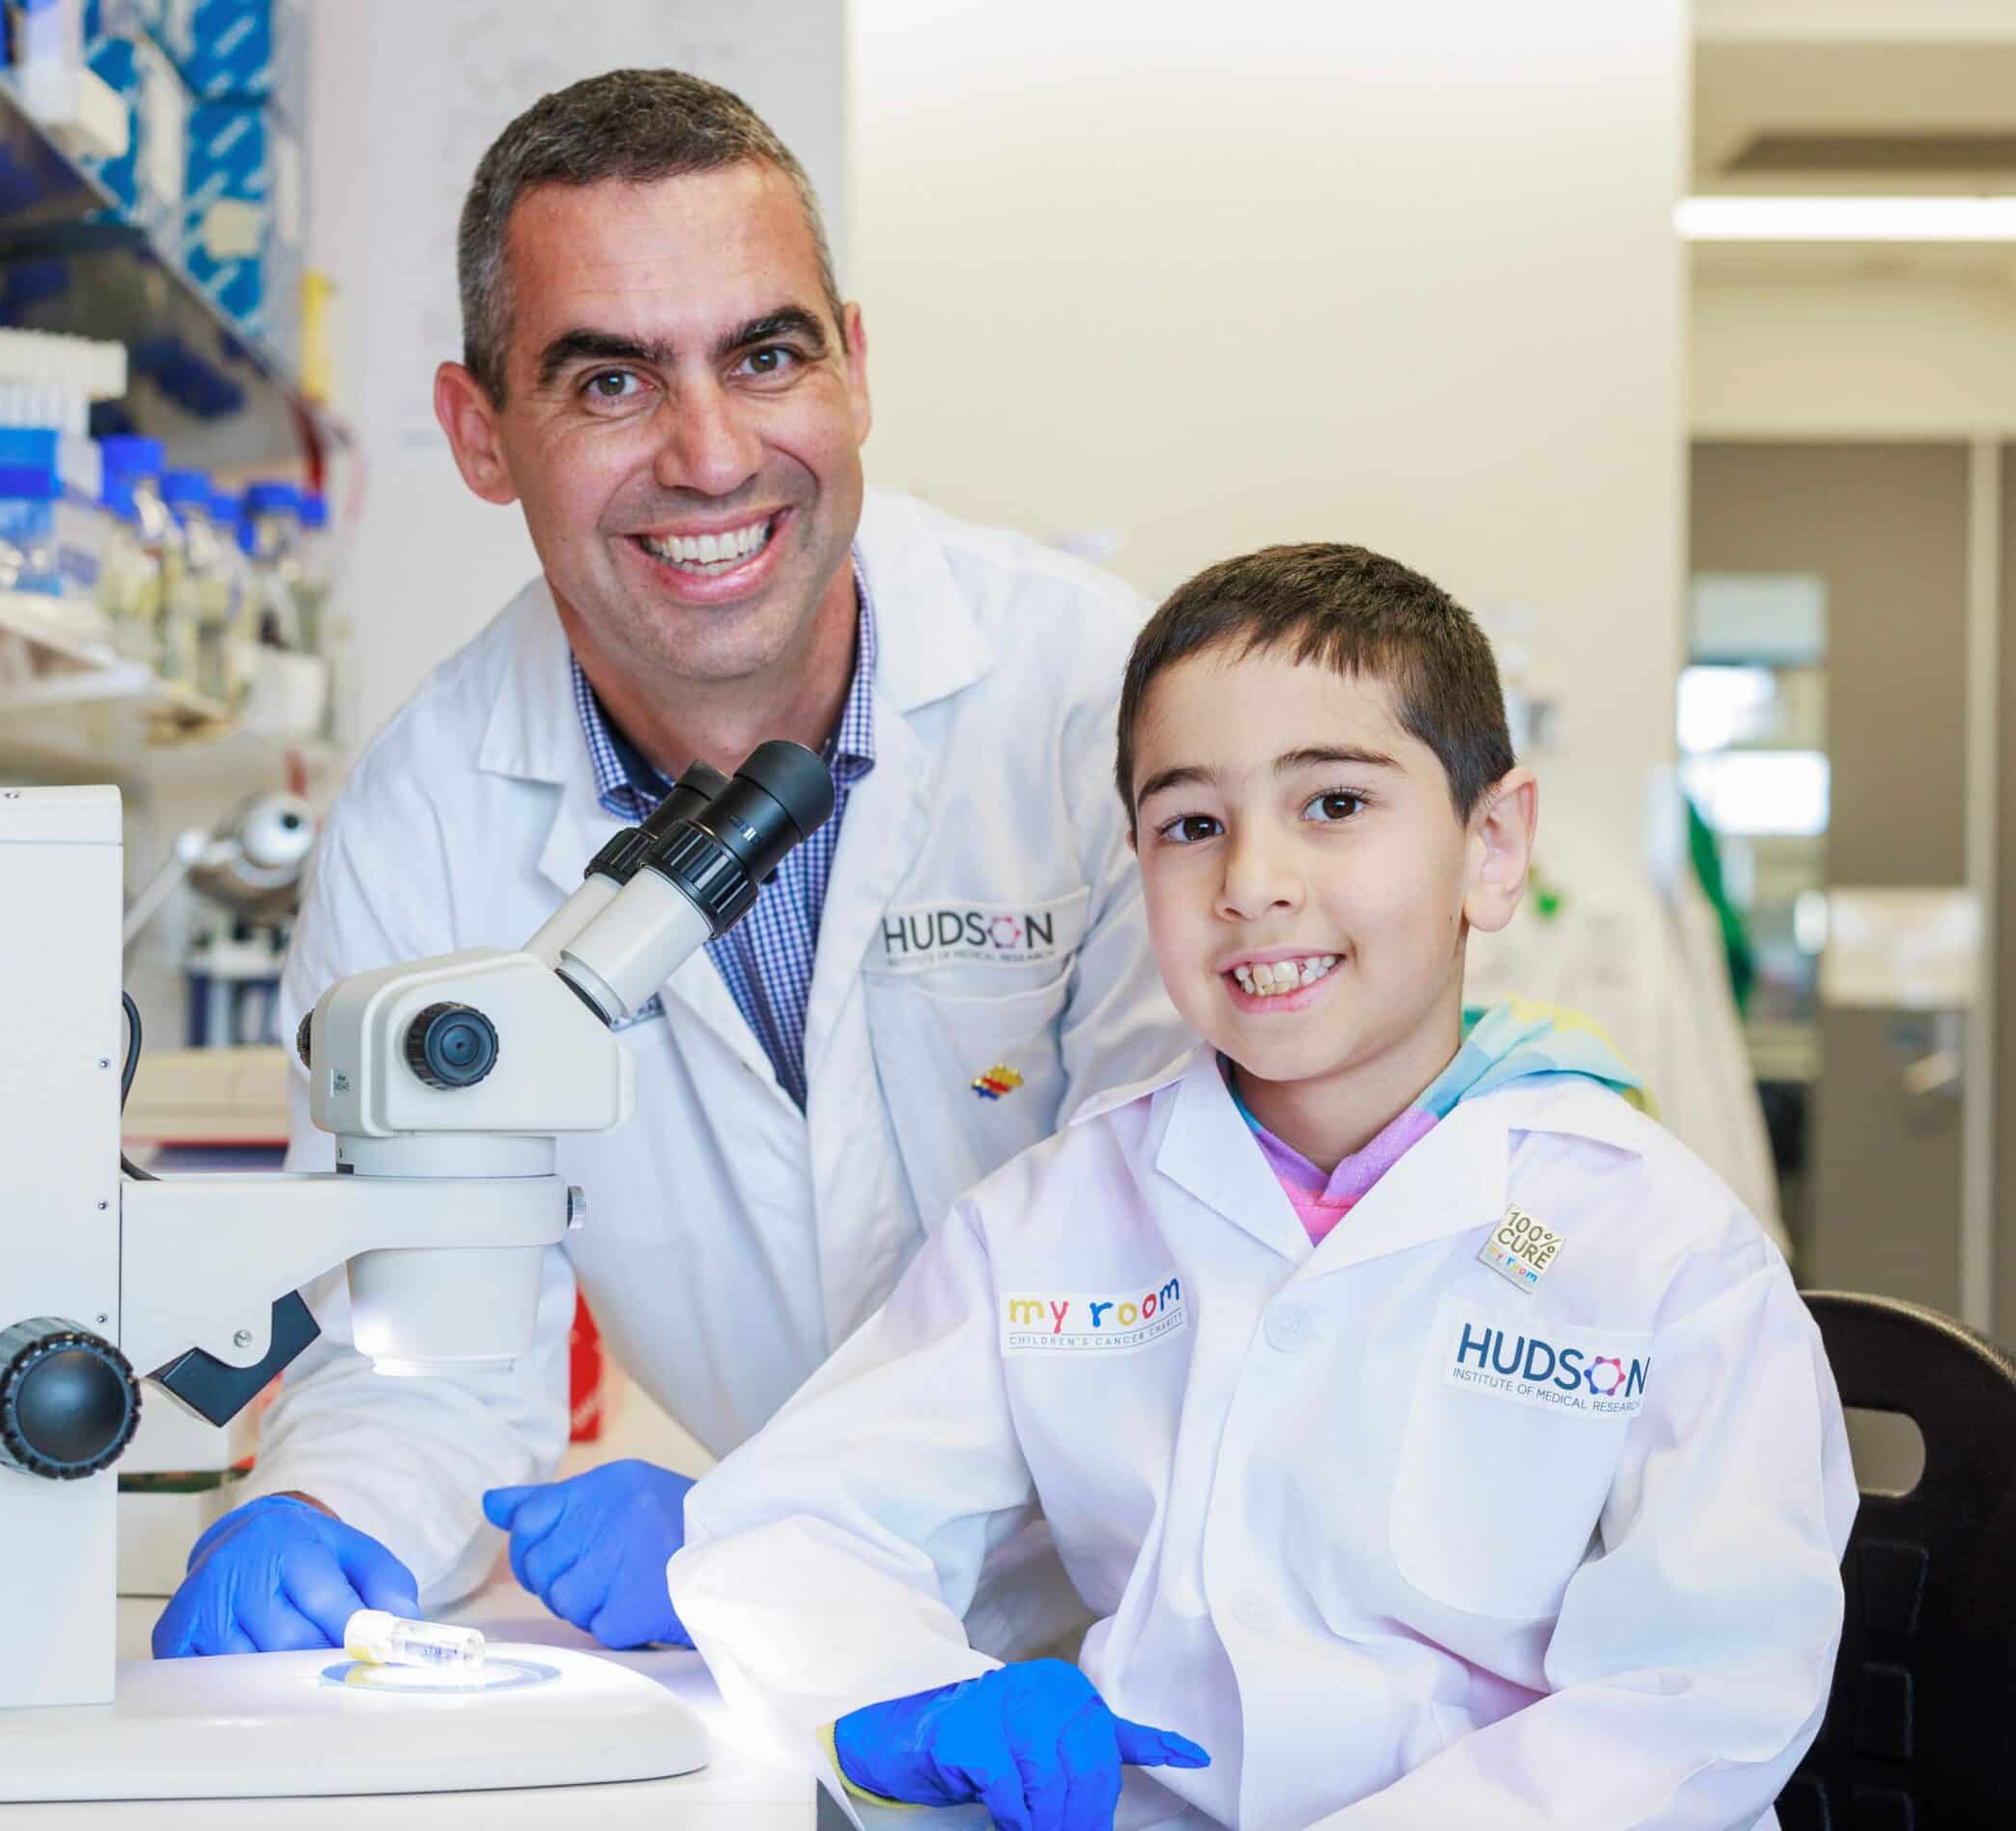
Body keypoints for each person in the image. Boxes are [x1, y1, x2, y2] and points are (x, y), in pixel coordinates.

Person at [150, 68, 1185, 1661]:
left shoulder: (1089, 707)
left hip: (1155, 1629)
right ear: (481, 434)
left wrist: (795, 1520)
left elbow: (1170, 1276)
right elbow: (425, 1345)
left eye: (766, 356)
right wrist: (340, 1509)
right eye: (612, 384)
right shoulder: (429, 818)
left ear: (854, 369)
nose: (710, 456)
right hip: (793, 1647)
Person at [670, 545, 1855, 1830]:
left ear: (1493, 844)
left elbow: (1706, 1689)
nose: (1252, 882)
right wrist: (912, 1691)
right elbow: (787, 1527)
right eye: (1191, 824)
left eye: (1334, 804)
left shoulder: (1663, 1246)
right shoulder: (1060, 1217)